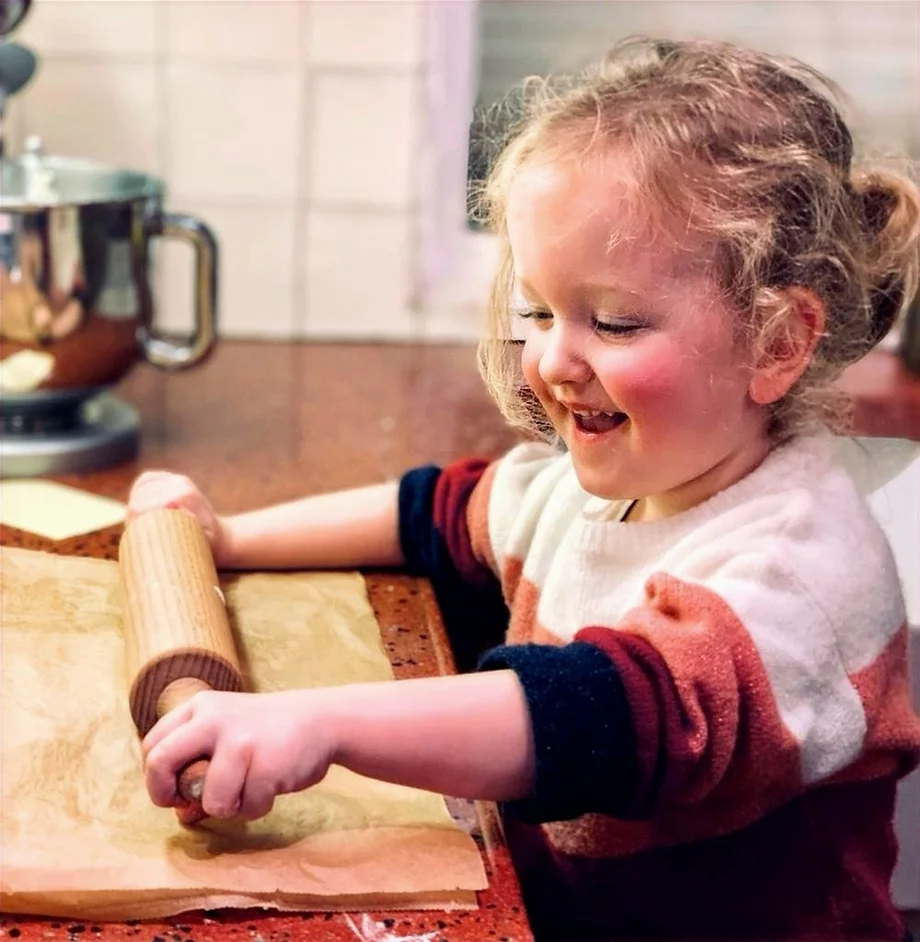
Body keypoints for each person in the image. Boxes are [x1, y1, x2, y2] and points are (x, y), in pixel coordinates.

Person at [128, 38, 920, 941]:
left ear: (777, 342)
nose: (551, 360)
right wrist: (223, 537)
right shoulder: (605, 485)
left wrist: (318, 723)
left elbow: (598, 713)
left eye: (613, 322)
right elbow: (438, 512)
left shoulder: (796, 576)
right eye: (539, 312)